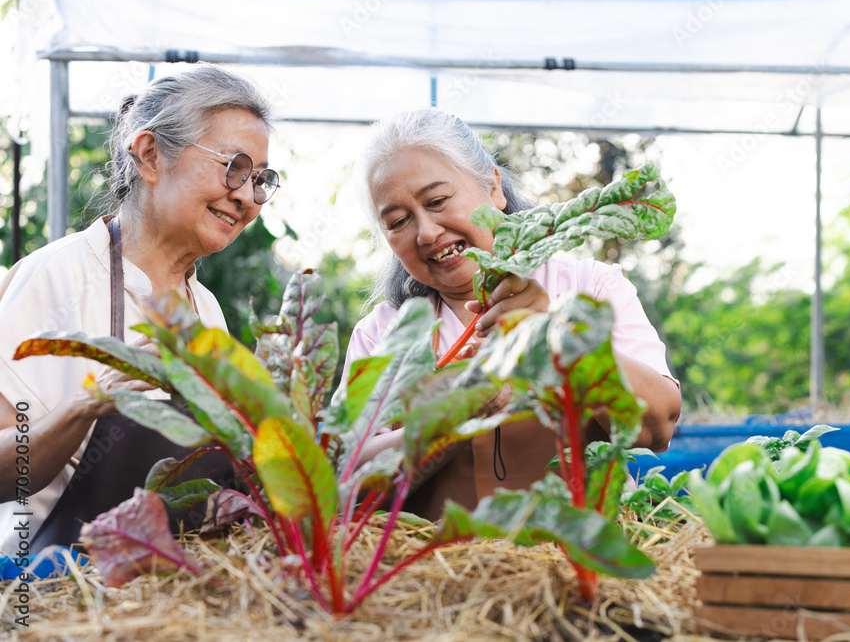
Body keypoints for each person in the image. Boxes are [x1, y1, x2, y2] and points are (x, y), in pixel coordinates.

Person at [344, 109, 682, 519]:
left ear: (493, 187)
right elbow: (345, 479)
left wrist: (556, 336)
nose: (427, 232)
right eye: (398, 221)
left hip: (583, 565)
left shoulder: (590, 289)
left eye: (437, 201)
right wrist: (454, 414)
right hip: (435, 573)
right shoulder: (380, 334)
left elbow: (659, 423)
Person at [0, 65, 280, 553]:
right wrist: (83, 408)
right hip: (51, 588)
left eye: (260, 179)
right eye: (234, 166)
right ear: (150, 156)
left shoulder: (205, 309)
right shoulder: (55, 278)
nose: (246, 197)